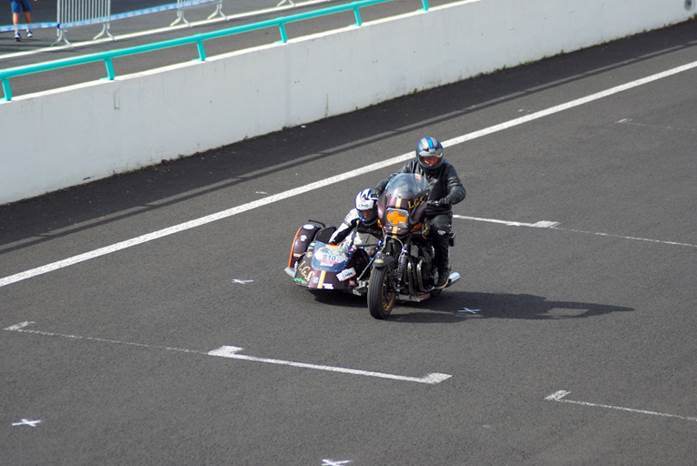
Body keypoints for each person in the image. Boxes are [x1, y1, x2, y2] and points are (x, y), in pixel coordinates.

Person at [375, 136, 465, 287]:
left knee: (439, 232)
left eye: (434, 157)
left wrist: (447, 199)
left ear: (440, 156)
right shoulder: (412, 165)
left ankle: (442, 269)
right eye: (427, 158)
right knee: (384, 223)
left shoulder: (447, 169)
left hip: (437, 211)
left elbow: (457, 188)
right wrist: (378, 189)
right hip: (414, 209)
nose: (431, 161)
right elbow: (394, 178)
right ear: (419, 157)